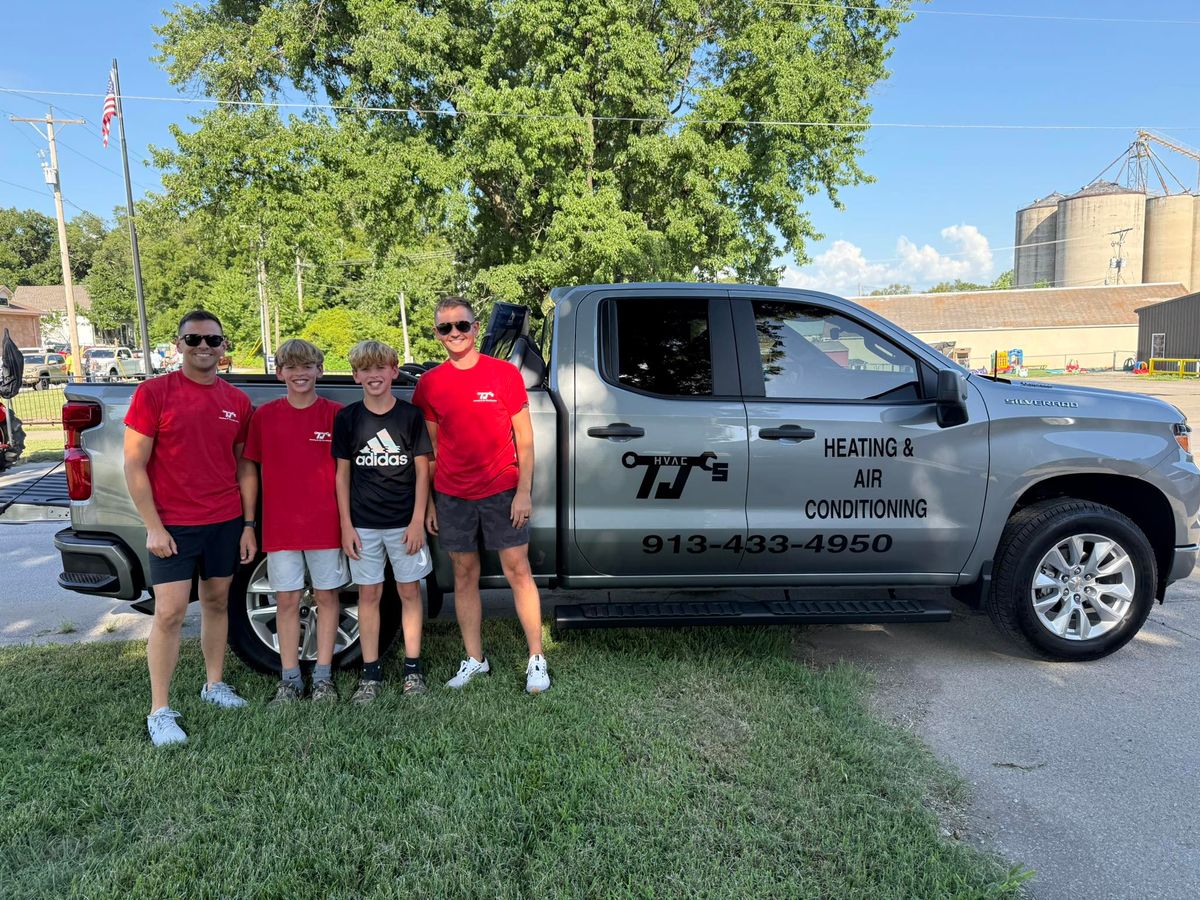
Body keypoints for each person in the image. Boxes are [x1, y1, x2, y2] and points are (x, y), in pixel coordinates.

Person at [123, 310, 256, 746]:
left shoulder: (236, 402)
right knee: (169, 613)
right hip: (174, 526)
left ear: (224, 347)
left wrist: (246, 525)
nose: (204, 347)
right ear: (178, 344)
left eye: (213, 340)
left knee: (218, 603)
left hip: (224, 521)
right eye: (194, 339)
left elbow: (241, 467)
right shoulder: (153, 393)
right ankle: (159, 710)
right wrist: (153, 527)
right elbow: (134, 464)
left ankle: (213, 684)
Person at [412, 297, 550, 694]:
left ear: (475, 329)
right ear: (437, 335)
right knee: (463, 575)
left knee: (518, 572)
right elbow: (432, 450)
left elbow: (524, 439)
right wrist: (434, 502)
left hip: (501, 491)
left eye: (462, 325)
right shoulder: (430, 384)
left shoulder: (504, 374)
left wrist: (523, 492)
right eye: (445, 328)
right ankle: (475, 659)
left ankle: (536, 658)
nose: (454, 333)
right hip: (453, 496)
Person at [241, 338, 345, 704]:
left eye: (307, 366)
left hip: (326, 527)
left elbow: (345, 476)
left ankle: (323, 678)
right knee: (286, 600)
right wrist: (249, 524)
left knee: (327, 598)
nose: (300, 373)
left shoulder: (335, 414)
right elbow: (250, 471)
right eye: (292, 367)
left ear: (319, 370)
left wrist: (347, 526)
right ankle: (289, 679)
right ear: (279, 372)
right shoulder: (265, 417)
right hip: (281, 528)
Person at [332, 339, 433, 703]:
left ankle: (412, 670)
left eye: (381, 368)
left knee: (409, 592)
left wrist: (417, 520)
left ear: (393, 371)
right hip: (363, 525)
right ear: (356, 375)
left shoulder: (409, 416)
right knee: (369, 594)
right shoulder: (348, 419)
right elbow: (342, 476)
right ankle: (370, 674)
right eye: (366, 370)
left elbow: (423, 472)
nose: (374, 375)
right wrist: (346, 525)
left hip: (404, 523)